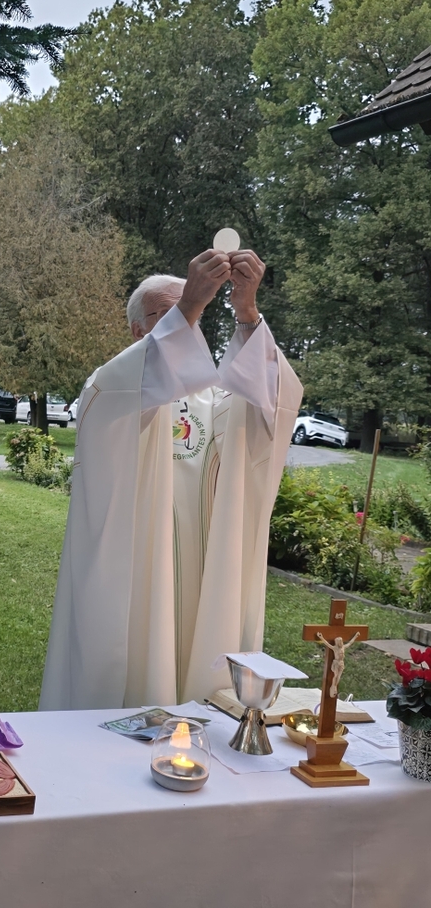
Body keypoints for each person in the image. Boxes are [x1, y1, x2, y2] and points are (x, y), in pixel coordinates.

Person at [39, 248, 303, 711]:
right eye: (170, 313)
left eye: (196, 312)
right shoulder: (111, 387)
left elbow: (273, 405)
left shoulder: (222, 399)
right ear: (138, 330)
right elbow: (125, 392)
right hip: (139, 577)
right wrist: (192, 302)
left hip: (209, 573)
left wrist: (246, 312)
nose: (188, 321)